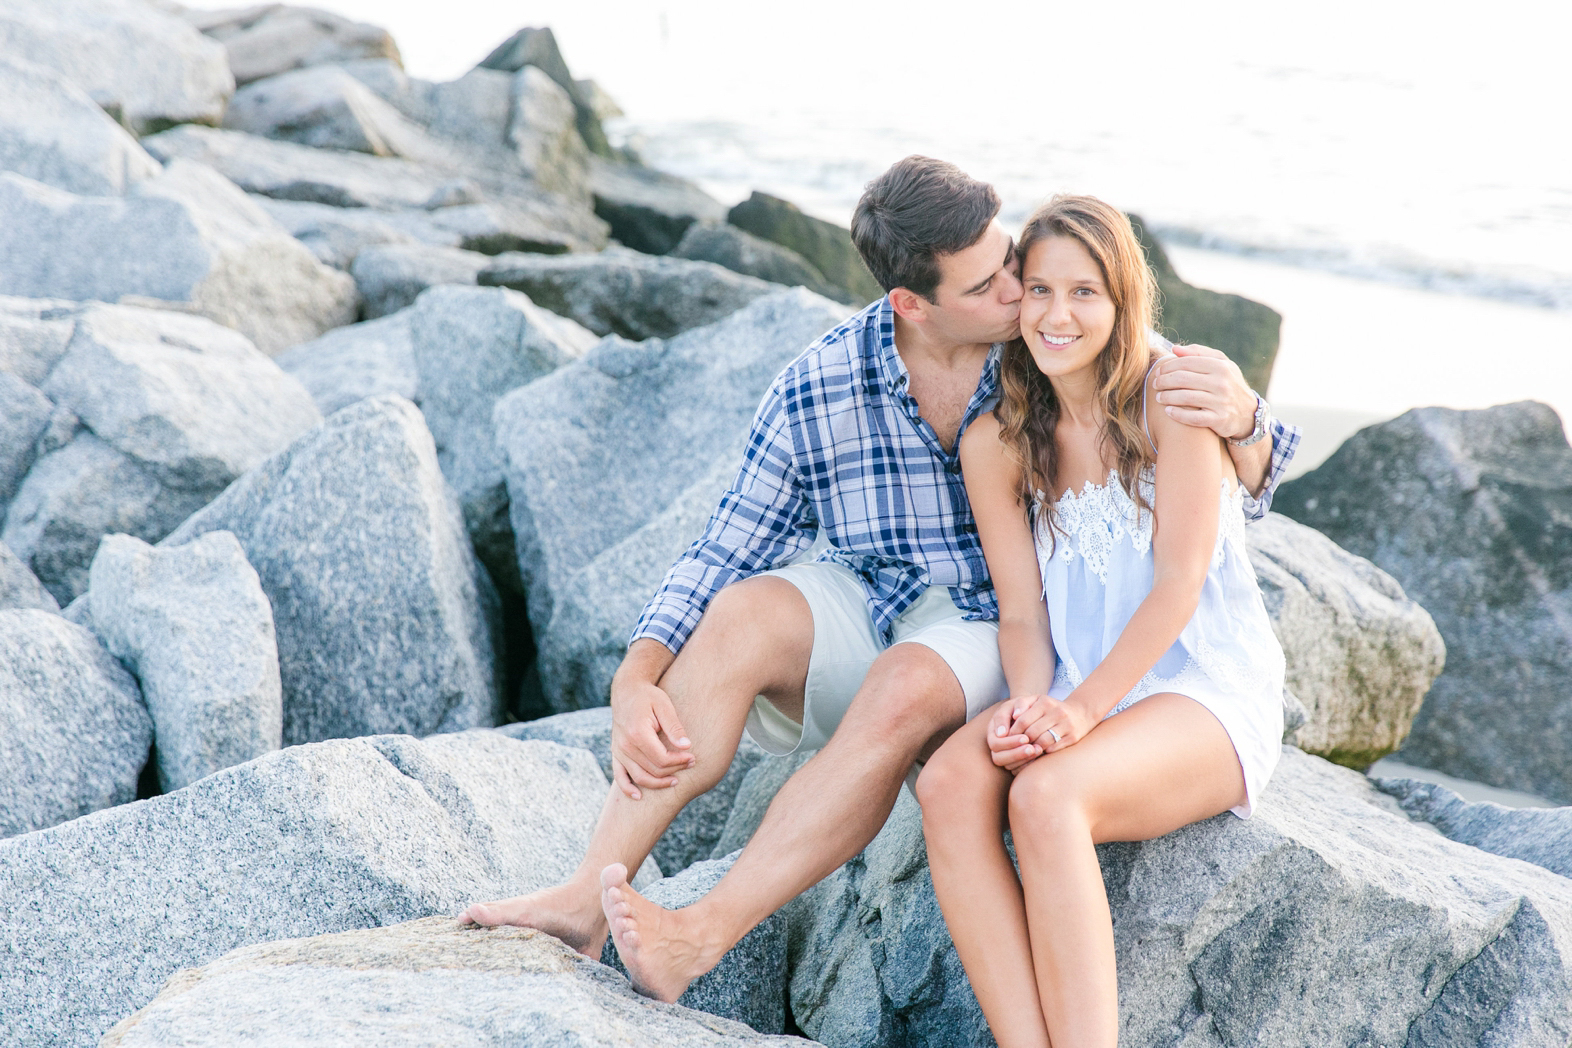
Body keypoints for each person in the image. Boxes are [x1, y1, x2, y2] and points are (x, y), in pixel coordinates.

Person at [459, 157, 1298, 1005]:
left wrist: (1249, 417)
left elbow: (1209, 451)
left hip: (994, 622)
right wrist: (635, 674)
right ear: (911, 304)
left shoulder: (1054, 343)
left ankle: (702, 933)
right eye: (993, 284)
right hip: (888, 600)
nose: (1018, 293)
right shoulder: (824, 384)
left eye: (1013, 262)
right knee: (742, 613)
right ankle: (584, 896)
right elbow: (726, 545)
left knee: (904, 686)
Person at [915, 194, 1287, 1048]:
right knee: (950, 780)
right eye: (1039, 290)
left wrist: (1076, 718)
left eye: (1085, 293)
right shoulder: (996, 444)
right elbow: (1021, 610)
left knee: (1046, 797)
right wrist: (1030, 704)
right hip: (1080, 684)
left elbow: (1180, 584)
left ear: (1122, 302)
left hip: (1201, 683)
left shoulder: (1174, 398)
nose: (1057, 315)